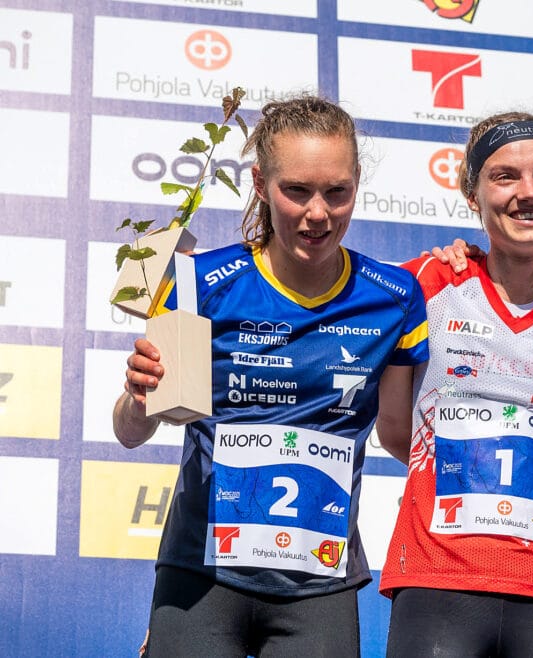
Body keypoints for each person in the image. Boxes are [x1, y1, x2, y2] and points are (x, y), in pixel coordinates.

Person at [113, 95, 428, 657]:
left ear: (357, 185)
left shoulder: (394, 298)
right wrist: (138, 399)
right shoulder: (201, 284)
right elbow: (130, 431)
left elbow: (405, 435)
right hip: (201, 578)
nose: (318, 213)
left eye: (337, 192)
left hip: (320, 585)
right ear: (260, 183)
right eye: (297, 190)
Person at [375, 111, 533, 657]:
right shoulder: (427, 283)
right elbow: (396, 430)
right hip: (436, 579)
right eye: (505, 177)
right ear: (472, 195)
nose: (529, 193)